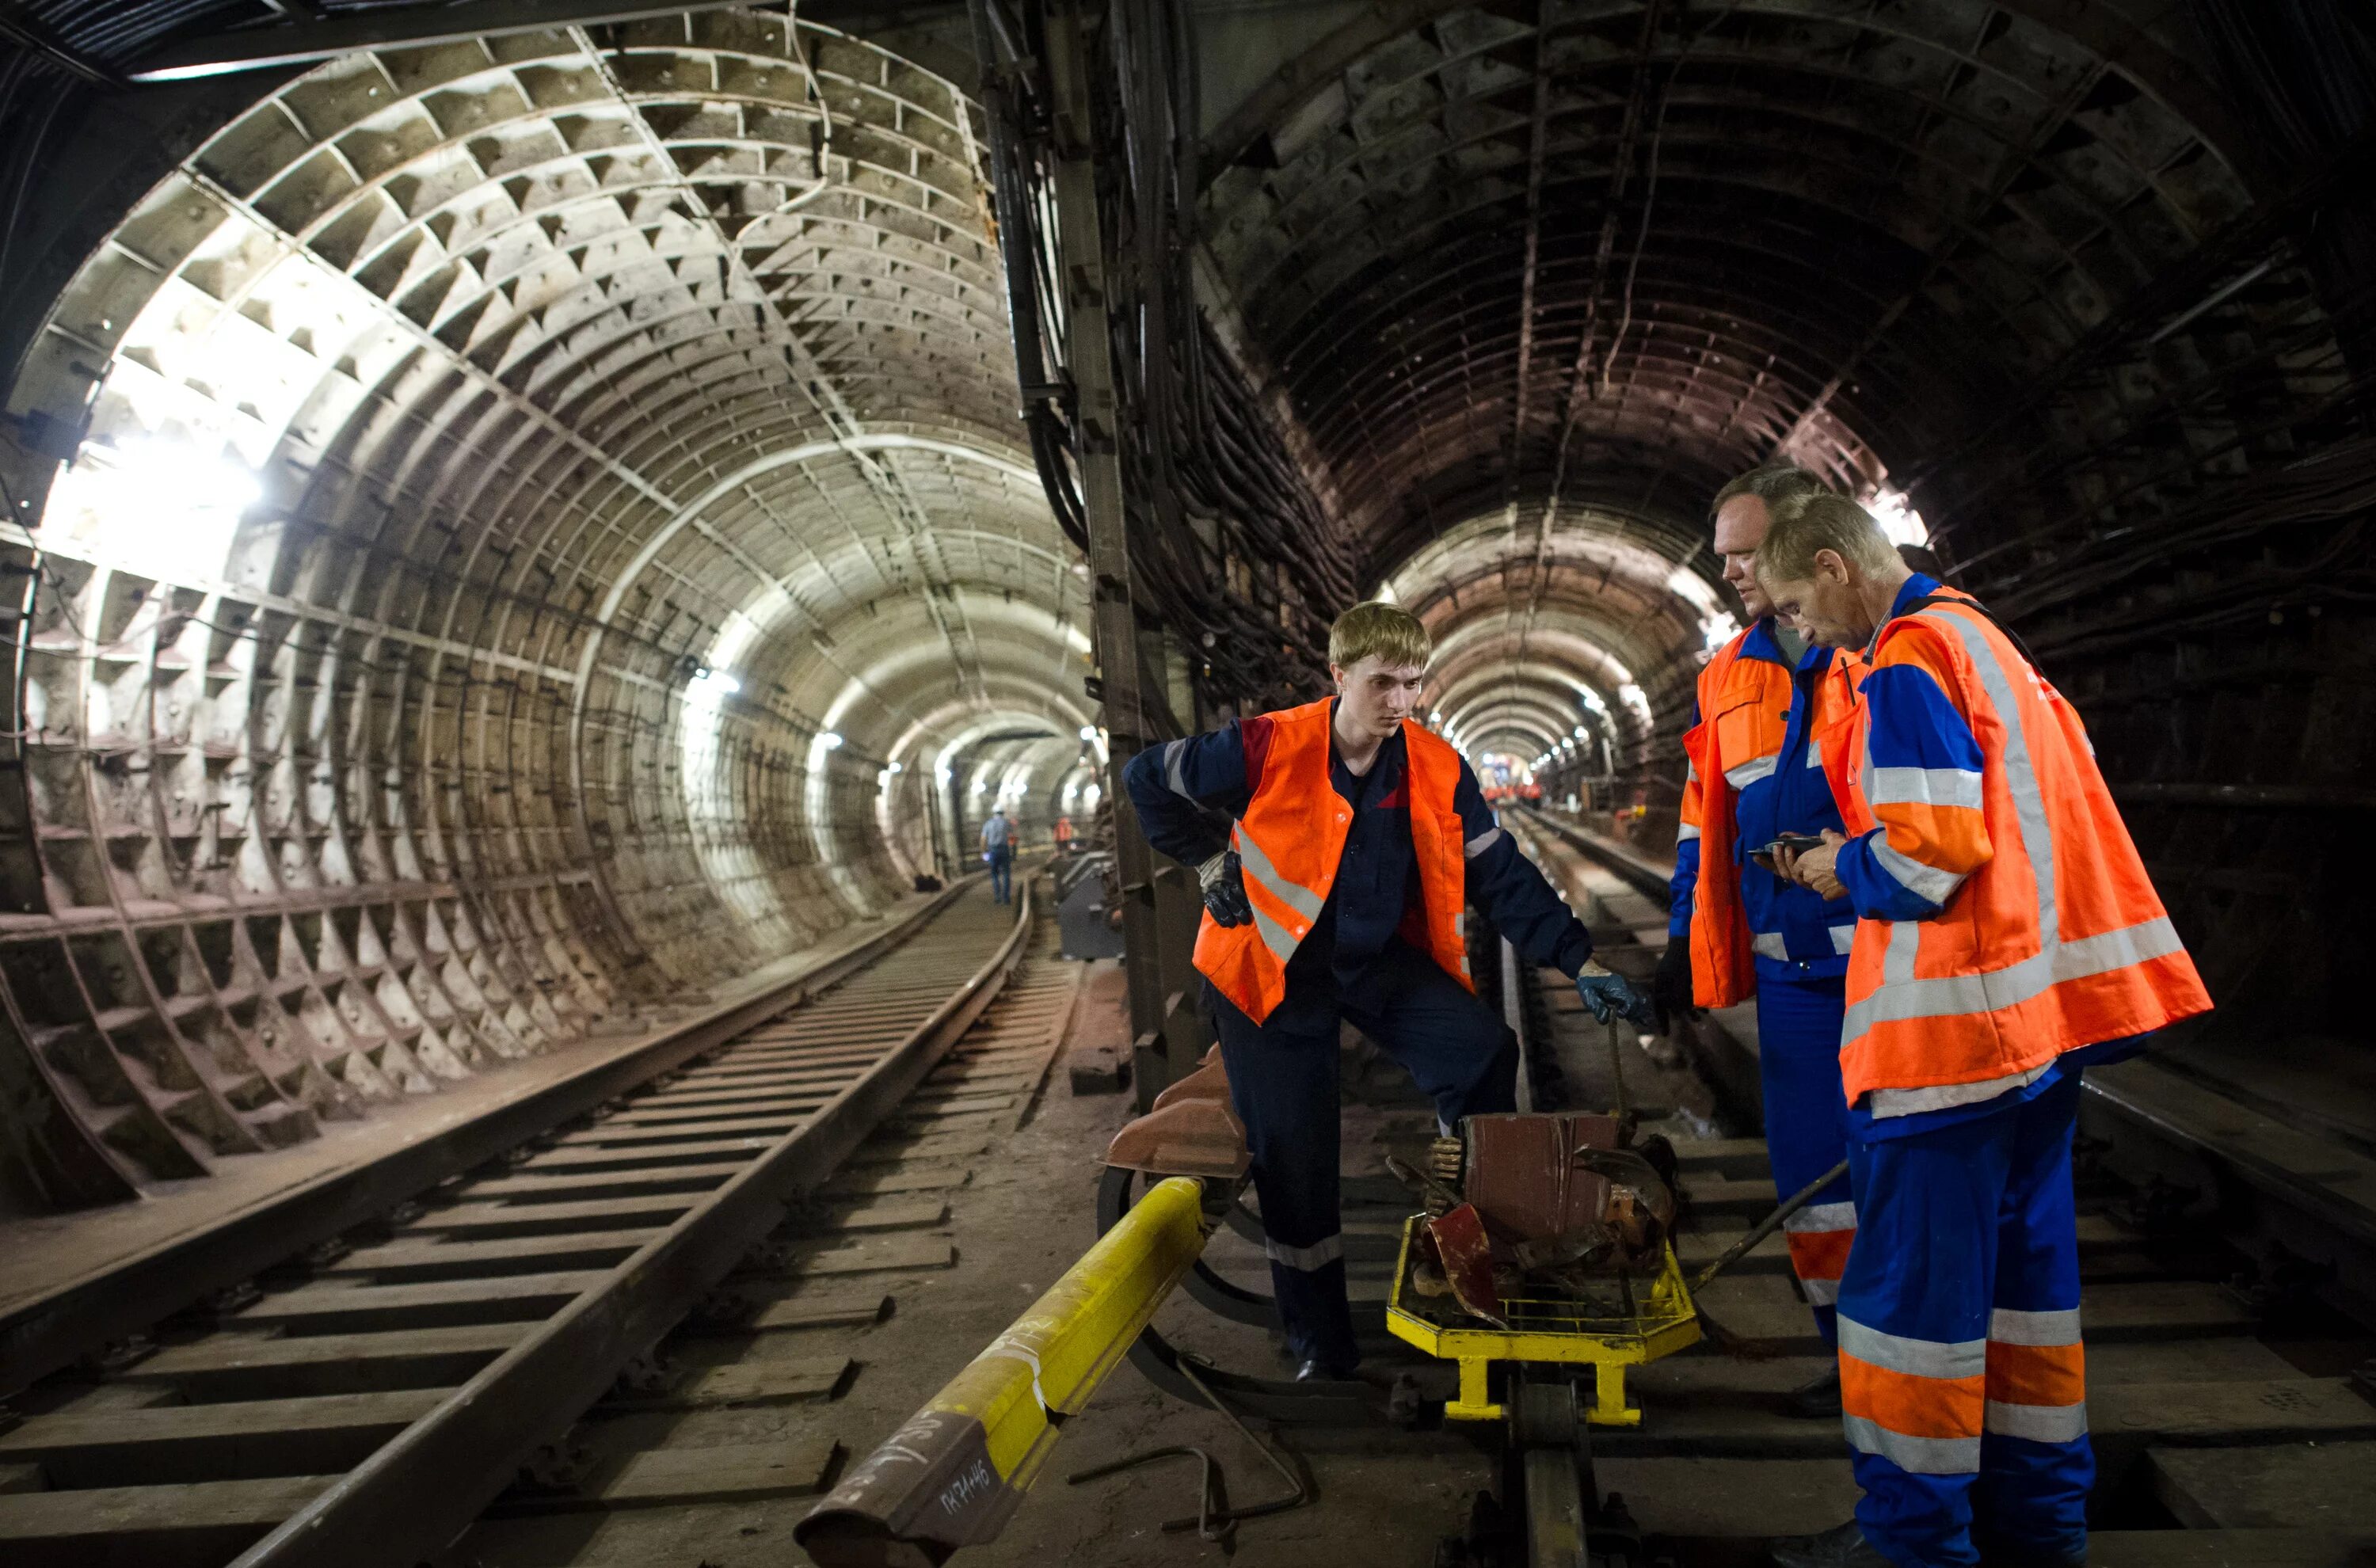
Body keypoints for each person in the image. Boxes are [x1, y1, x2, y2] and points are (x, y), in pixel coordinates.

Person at [1753, 494, 2213, 1568]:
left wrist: (1837, 866)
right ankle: (2038, 1531)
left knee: (1907, 1314)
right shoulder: (1986, 638)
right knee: (2025, 1304)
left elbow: (1927, 857)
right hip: (2035, 1042)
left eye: (1794, 605)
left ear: (1835, 565)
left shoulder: (1908, 659)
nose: (1800, 634)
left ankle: (1912, 1547)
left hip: (1945, 1048)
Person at [1123, 601, 1655, 1380]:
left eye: (1414, 684)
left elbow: (1499, 877)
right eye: (1383, 685)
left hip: (1373, 962)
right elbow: (1146, 778)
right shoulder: (1269, 744)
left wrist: (1580, 961)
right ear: (1339, 677)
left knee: (1481, 1049)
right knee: (1297, 1159)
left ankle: (1462, 1230)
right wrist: (1207, 860)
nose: (1402, 703)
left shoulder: (1437, 767)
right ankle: (1321, 1346)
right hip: (1269, 972)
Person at [1660, 463, 1860, 1415]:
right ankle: (1848, 1359)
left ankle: (1912, 1367)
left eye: (1746, 552)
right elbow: (1703, 825)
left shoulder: (1878, 647)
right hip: (1793, 983)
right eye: (1727, 555)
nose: (1732, 570)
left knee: (1898, 1178)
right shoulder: (1725, 675)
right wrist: (1677, 942)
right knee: (1812, 1188)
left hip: (1894, 967)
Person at [980, 807, 1015, 905]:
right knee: (1006, 873)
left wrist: (983, 852)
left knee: (994, 873)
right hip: (1004, 849)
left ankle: (997, 896)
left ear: (994, 813)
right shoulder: (1006, 823)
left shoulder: (988, 823)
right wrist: (1012, 849)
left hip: (993, 850)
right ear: (1002, 813)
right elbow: (1012, 837)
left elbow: (983, 839)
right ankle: (1006, 898)